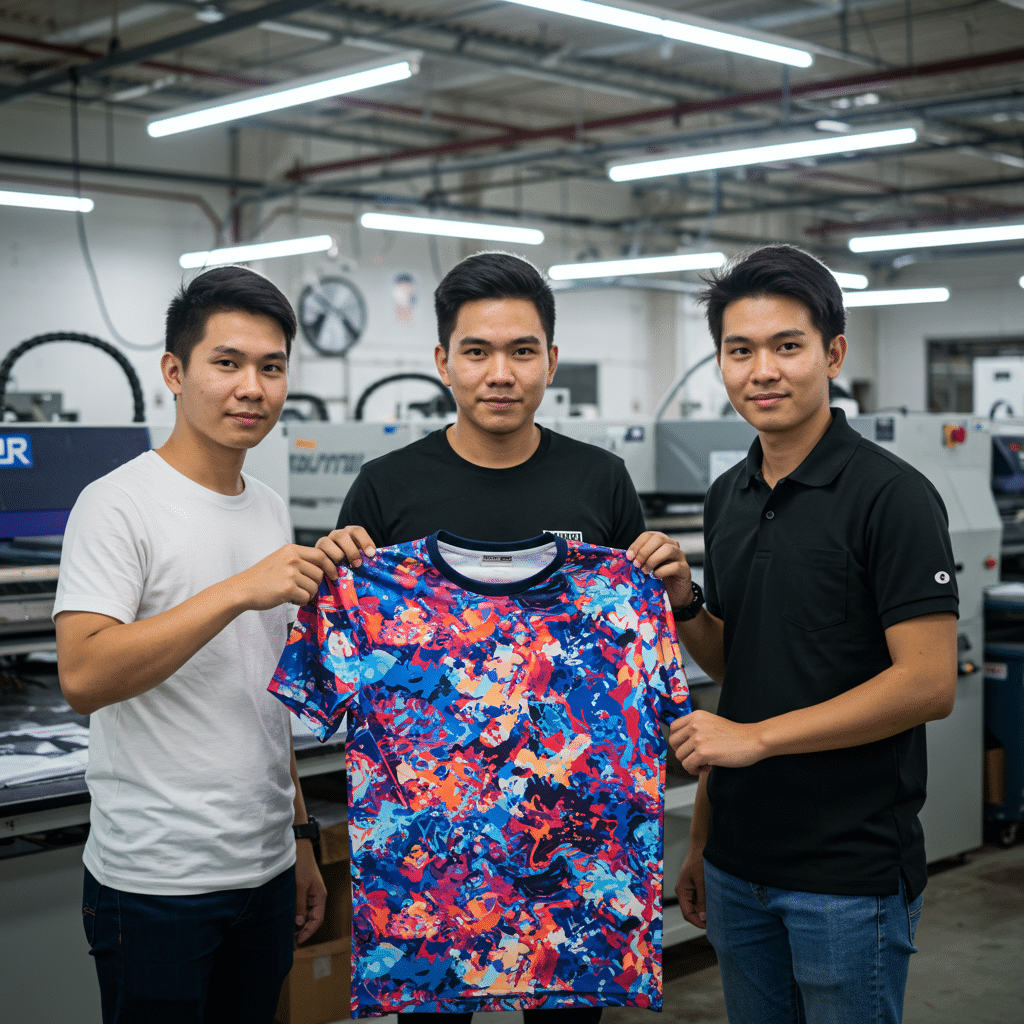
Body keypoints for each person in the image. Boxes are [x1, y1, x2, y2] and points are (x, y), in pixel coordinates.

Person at [315, 250, 692, 1024]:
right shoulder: (387, 487)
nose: (500, 373)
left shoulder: (601, 480)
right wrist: (332, 572)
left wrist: (676, 588)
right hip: (433, 879)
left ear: (550, 360)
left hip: (573, 877)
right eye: (477, 351)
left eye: (521, 351)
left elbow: (641, 634)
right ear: (443, 362)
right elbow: (341, 640)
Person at [667, 244, 959, 1024]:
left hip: (845, 873)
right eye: (740, 351)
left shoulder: (892, 497)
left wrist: (757, 739)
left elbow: (929, 684)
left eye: (787, 346)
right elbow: (742, 666)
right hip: (737, 863)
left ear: (832, 354)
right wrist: (687, 605)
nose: (763, 371)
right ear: (721, 364)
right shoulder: (727, 496)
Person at [53, 266, 336, 1024]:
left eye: (271, 367)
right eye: (228, 363)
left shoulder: (267, 506)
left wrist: (299, 836)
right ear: (175, 373)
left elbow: (262, 690)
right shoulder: (116, 504)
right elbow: (83, 674)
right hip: (156, 885)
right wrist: (239, 589)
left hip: (266, 871)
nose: (252, 388)